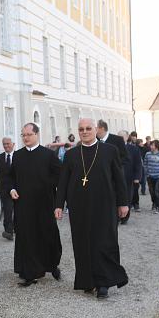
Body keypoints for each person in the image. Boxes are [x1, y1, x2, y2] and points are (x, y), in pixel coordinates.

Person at [55, 118, 129, 299]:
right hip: (79, 207)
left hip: (105, 206)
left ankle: (103, 282)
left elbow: (119, 179)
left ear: (96, 130)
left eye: (88, 128)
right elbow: (63, 181)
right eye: (81, 129)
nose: (85, 131)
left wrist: (123, 203)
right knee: (82, 244)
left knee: (104, 243)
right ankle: (87, 281)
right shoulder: (72, 154)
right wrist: (58, 204)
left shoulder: (110, 151)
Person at [7, 123, 62, 286]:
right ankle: (30, 272)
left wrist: (45, 184)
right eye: (23, 135)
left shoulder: (48, 155)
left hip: (44, 204)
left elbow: (60, 175)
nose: (25, 138)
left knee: (48, 236)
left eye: (29, 134)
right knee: (27, 237)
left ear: (37, 134)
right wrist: (11, 189)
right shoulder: (17, 156)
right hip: (24, 206)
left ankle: (51, 265)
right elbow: (9, 177)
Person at [118, 129, 143, 223]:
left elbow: (138, 164)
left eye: (122, 137)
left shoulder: (133, 149)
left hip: (128, 178)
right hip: (116, 178)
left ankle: (125, 217)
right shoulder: (113, 148)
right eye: (118, 136)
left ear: (126, 137)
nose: (119, 139)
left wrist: (137, 177)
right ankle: (117, 216)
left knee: (127, 197)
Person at [0, 136, 16, 240]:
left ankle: (17, 228)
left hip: (17, 189)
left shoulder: (19, 156)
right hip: (5, 189)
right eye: (4, 144)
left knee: (18, 210)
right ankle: (8, 231)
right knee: (7, 210)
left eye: (8, 144)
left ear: (13, 144)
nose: (6, 146)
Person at [144, 140, 159, 214]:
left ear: (157, 146)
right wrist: (146, 174)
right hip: (150, 176)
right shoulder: (147, 154)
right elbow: (145, 164)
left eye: (152, 145)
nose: (151, 146)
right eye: (150, 145)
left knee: (157, 191)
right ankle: (154, 203)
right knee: (152, 192)